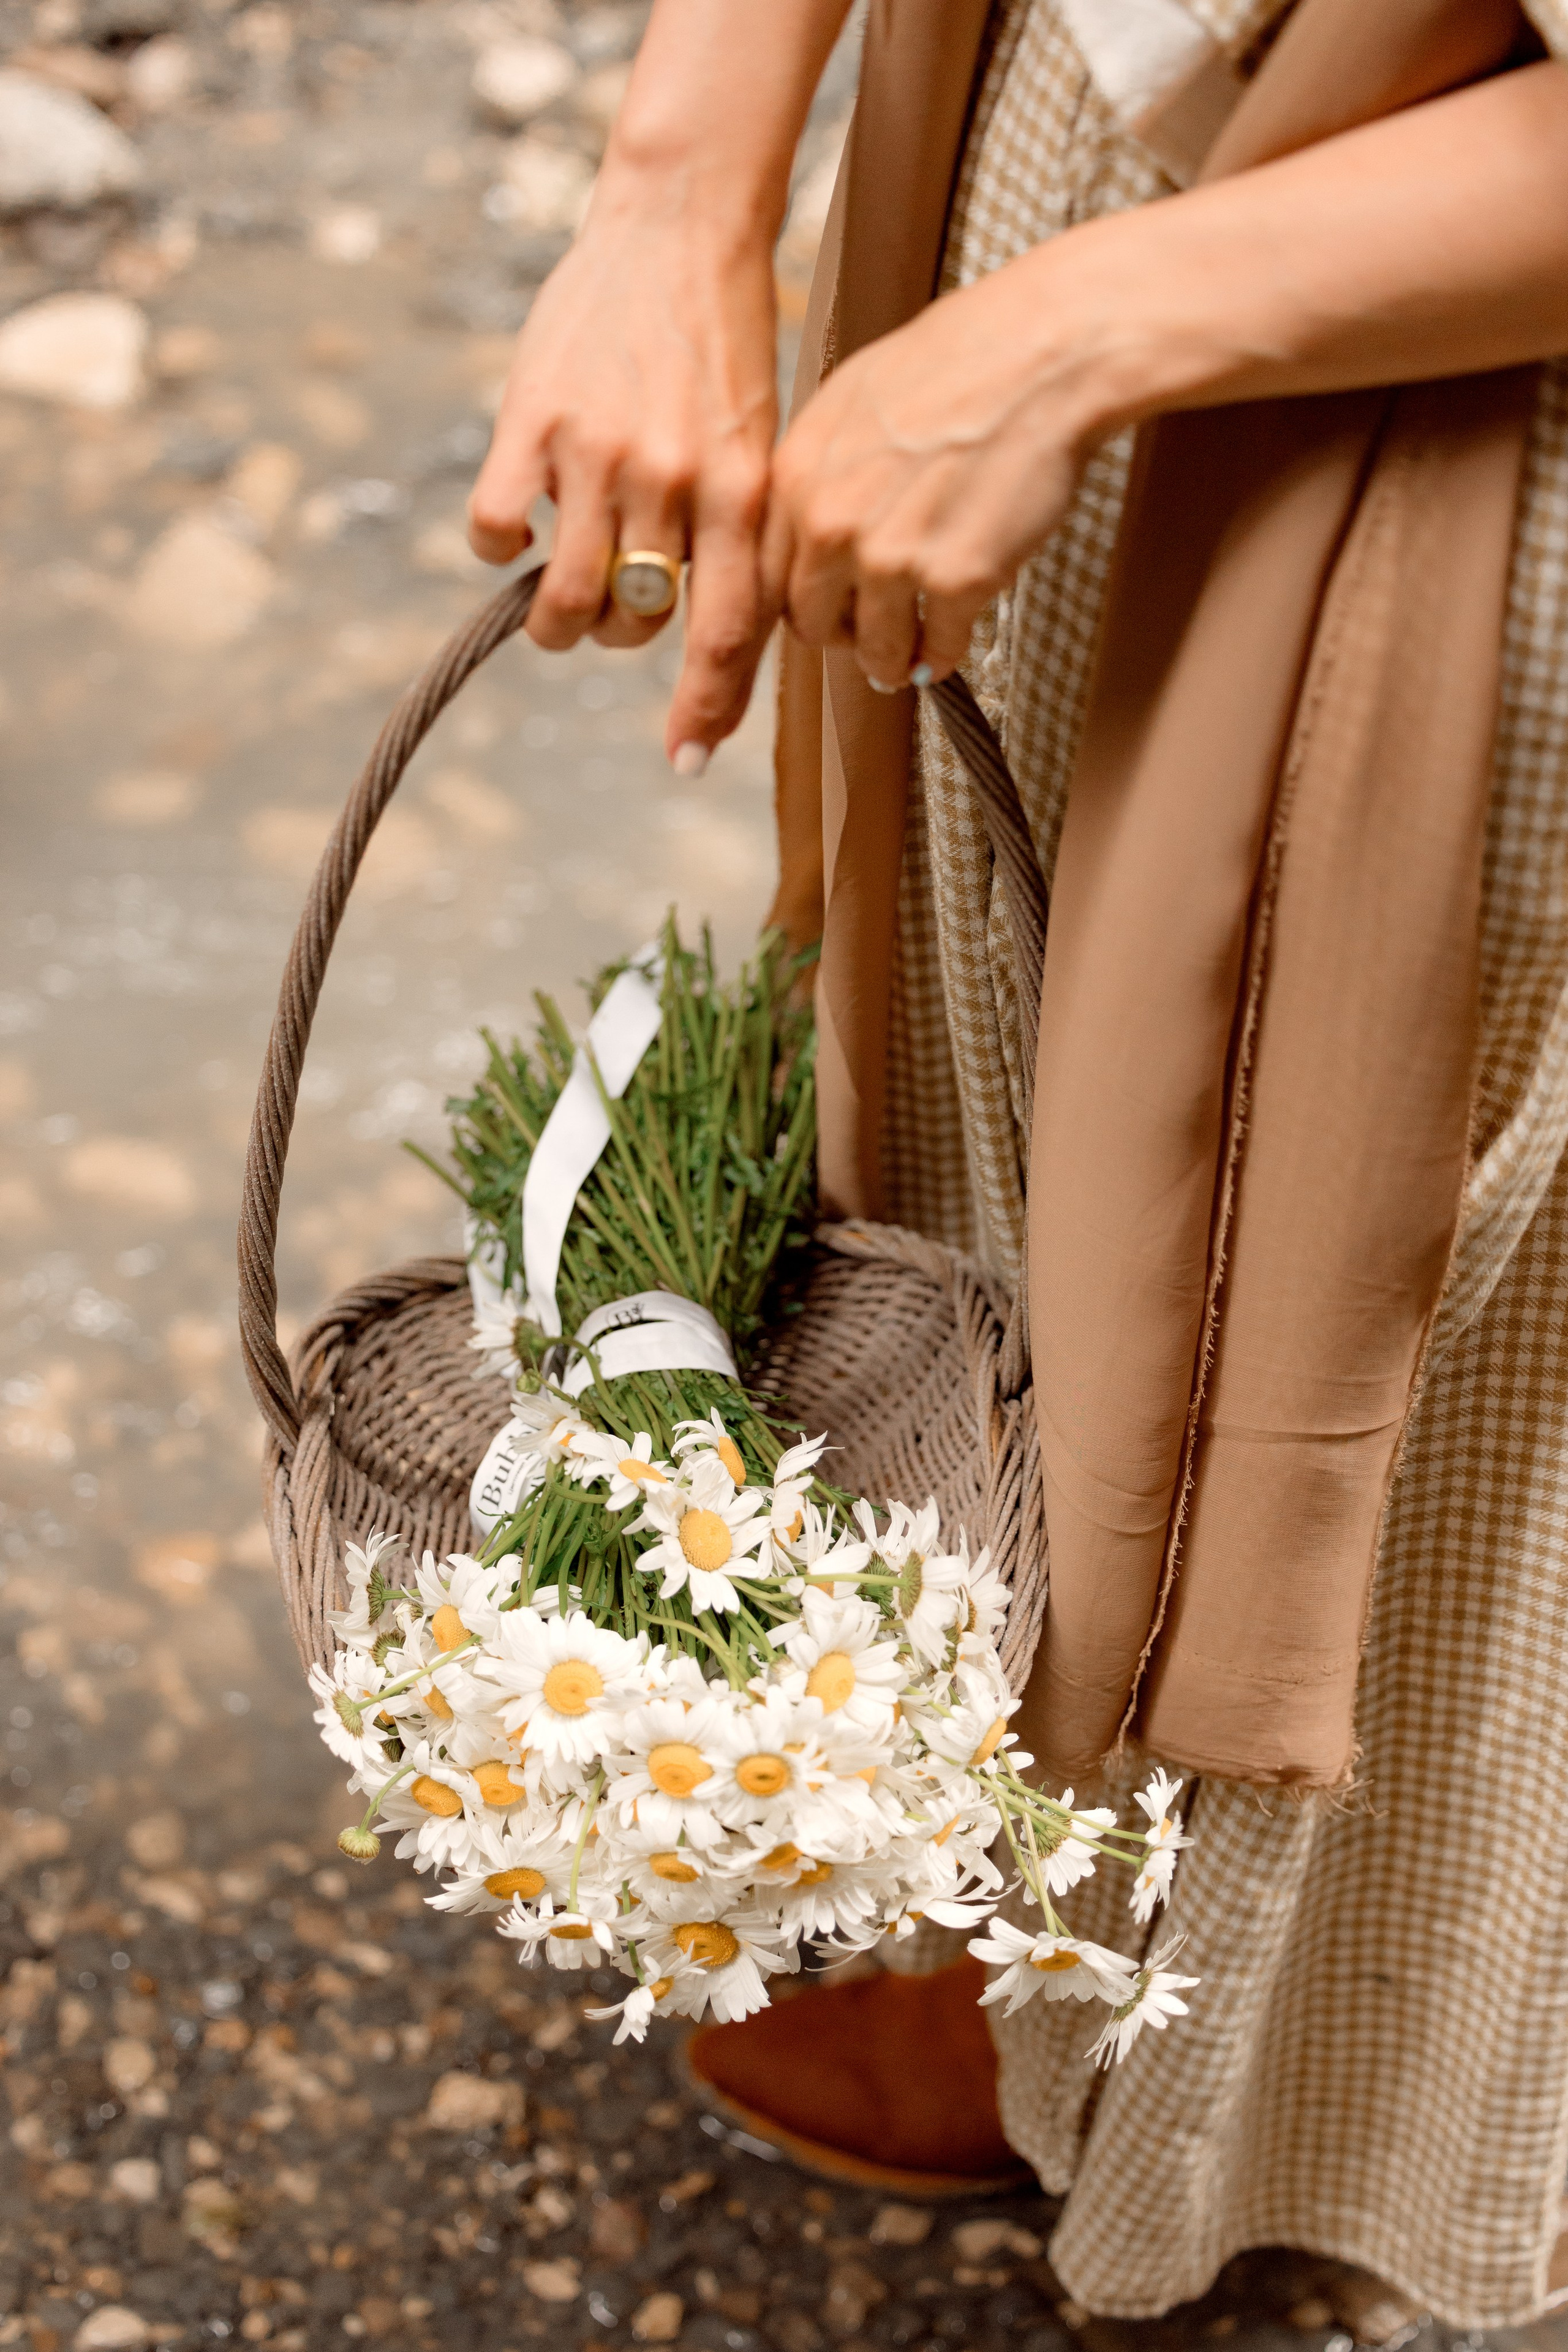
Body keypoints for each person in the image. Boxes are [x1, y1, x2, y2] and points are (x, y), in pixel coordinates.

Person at [467, 0, 1568, 2328]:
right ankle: (997, 1905)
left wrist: (1078, 327)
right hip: (1055, 144)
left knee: (1407, 1343)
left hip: (1465, 390)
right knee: (1015, 1104)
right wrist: (687, 178)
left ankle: (1303, 2076)